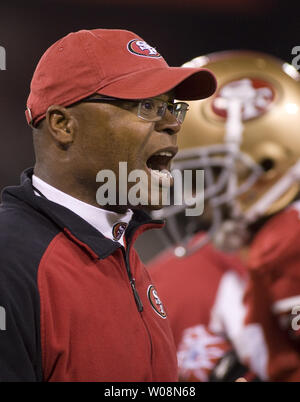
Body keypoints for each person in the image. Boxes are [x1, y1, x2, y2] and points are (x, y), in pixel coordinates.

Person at [0, 28, 216, 381]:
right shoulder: (10, 259)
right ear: (63, 125)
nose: (173, 124)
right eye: (147, 106)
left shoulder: (120, 244)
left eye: (172, 107)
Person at [148, 50, 300, 381]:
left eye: (209, 175)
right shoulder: (170, 278)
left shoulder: (288, 243)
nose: (192, 196)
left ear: (267, 164)